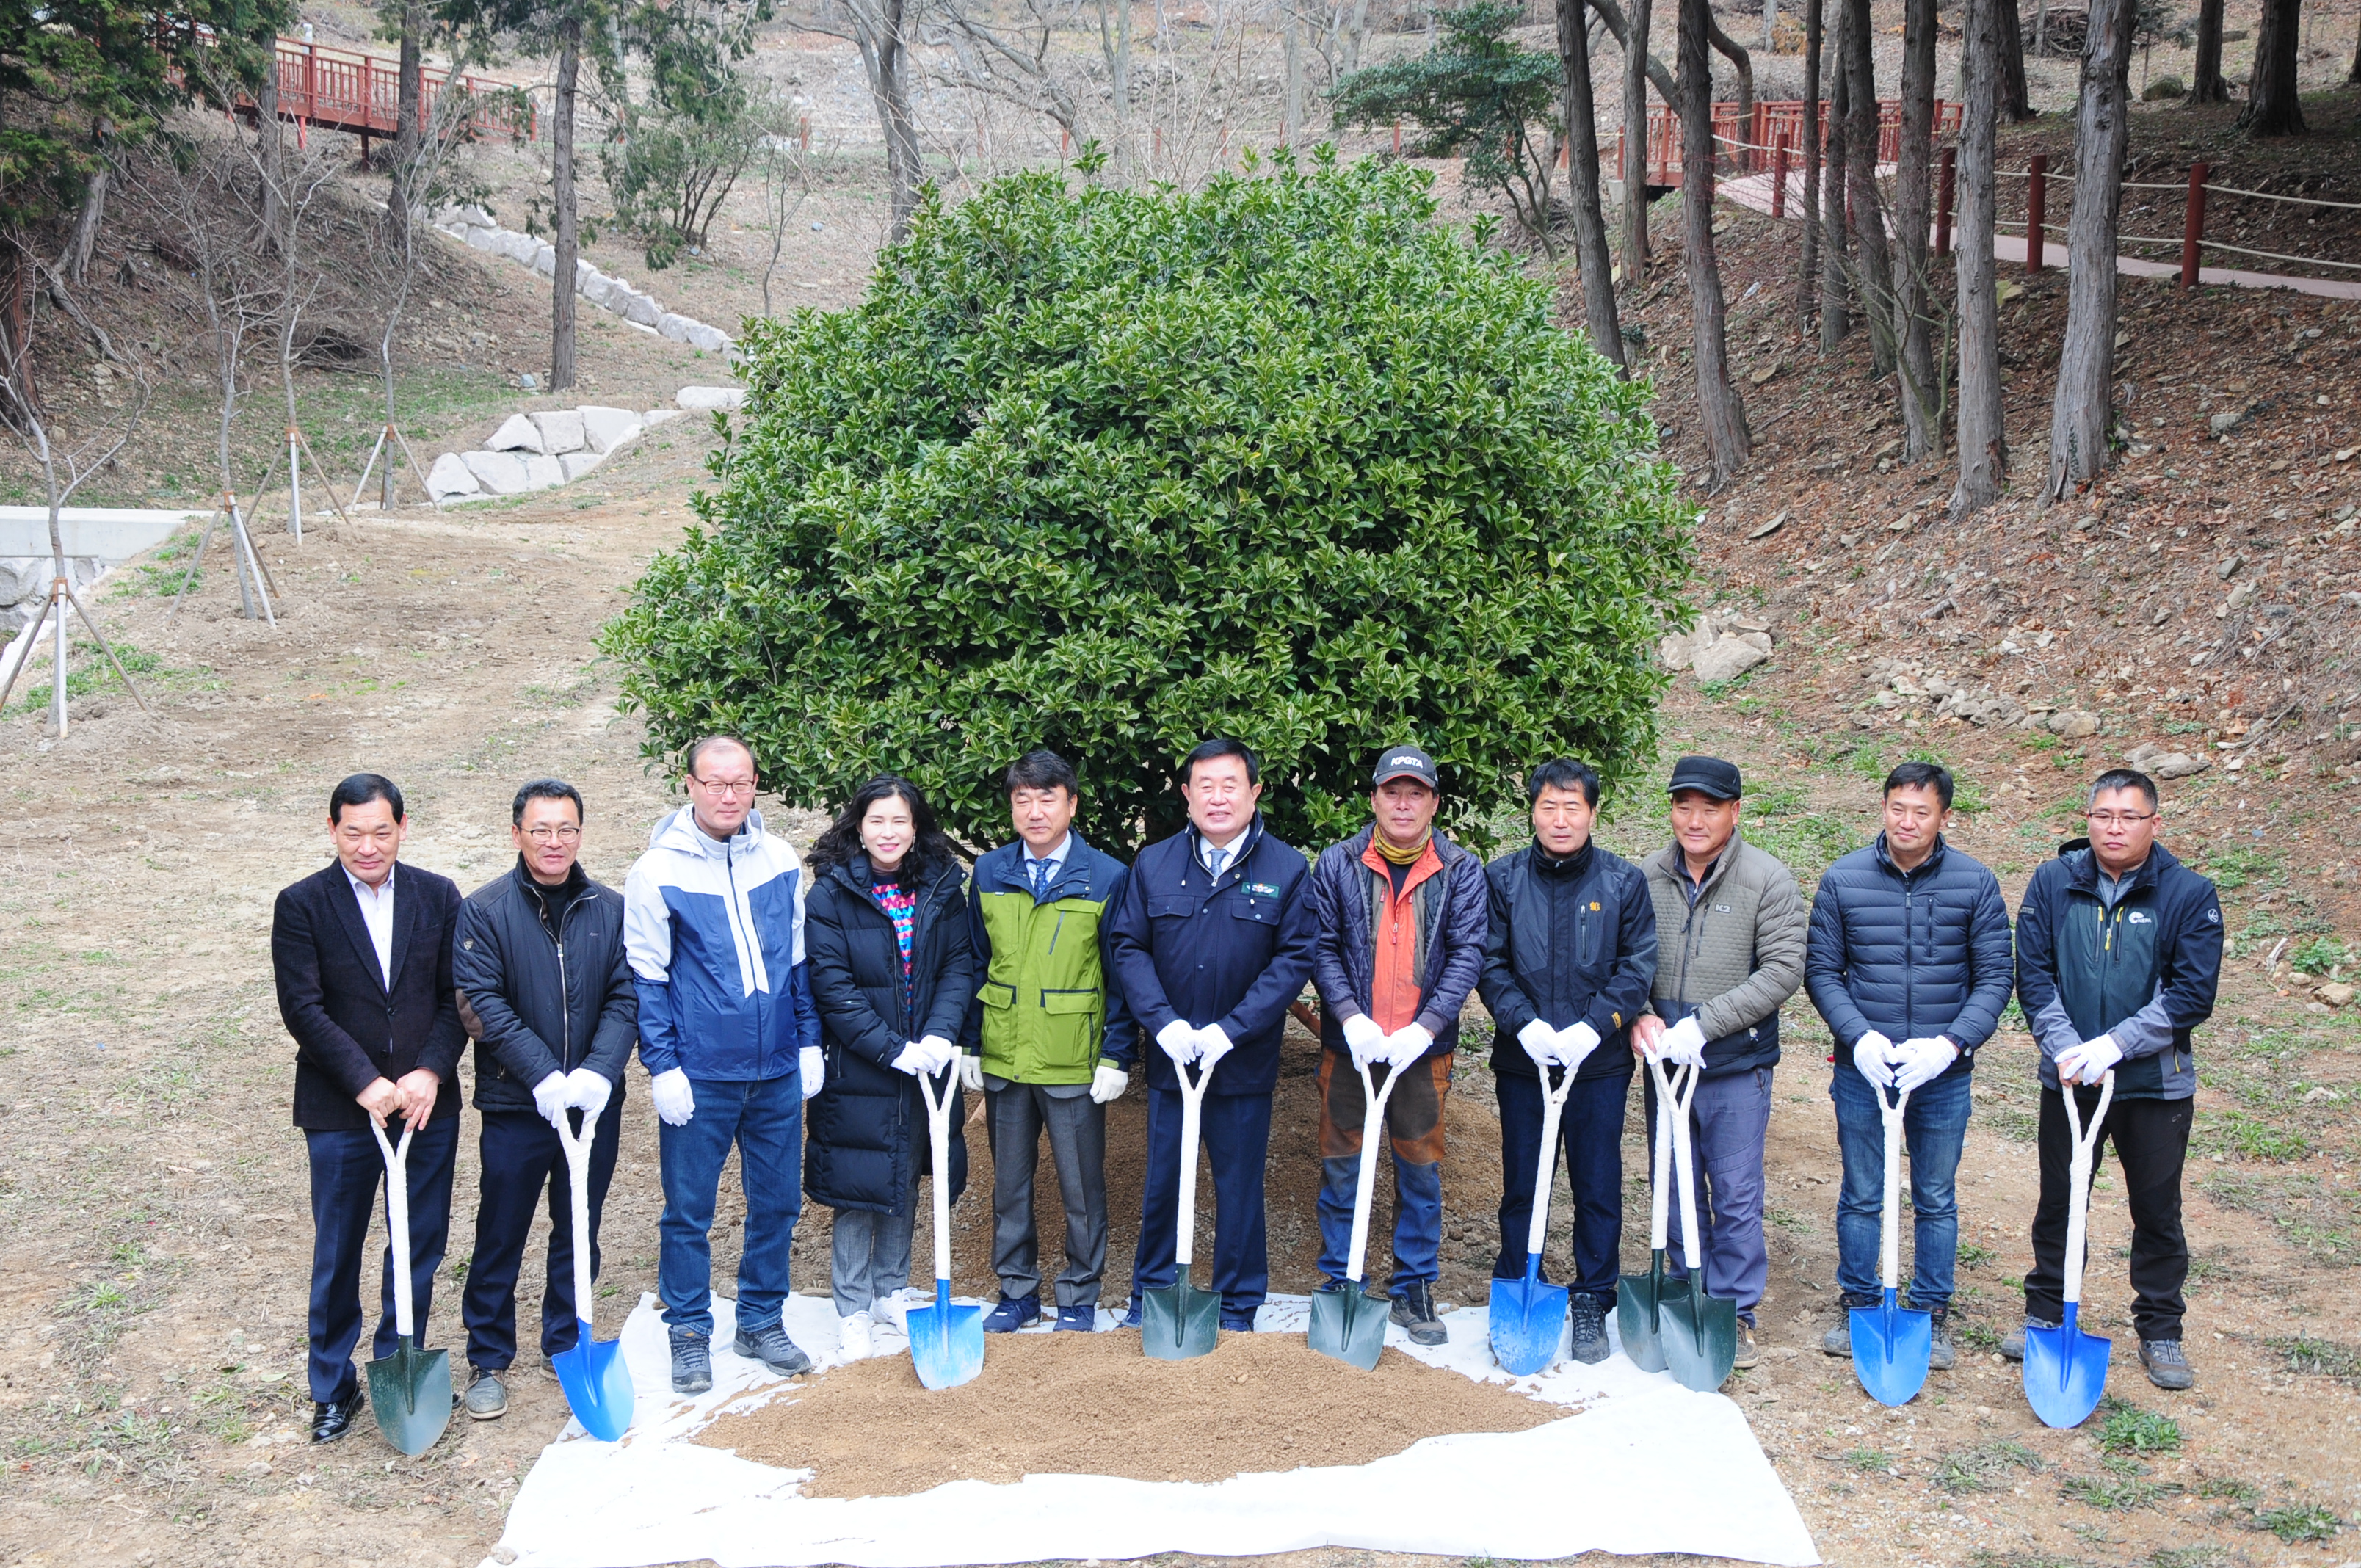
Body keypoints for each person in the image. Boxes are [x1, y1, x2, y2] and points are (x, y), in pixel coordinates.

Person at [2006, 768, 2222, 1392]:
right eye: (2104, 815)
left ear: (2154, 823)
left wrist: (2115, 1045)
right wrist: (2070, 1047)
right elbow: (2035, 974)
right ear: (2089, 819)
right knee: (2060, 1199)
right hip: (2071, 1079)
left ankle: (2161, 1328)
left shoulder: (2188, 893)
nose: (2115, 827)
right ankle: (2046, 1313)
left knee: (2156, 1210)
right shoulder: (2053, 882)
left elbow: (2191, 995)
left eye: (2130, 817)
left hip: (2154, 1085)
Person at [623, 737, 824, 1393]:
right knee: (688, 1211)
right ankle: (688, 1331)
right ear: (690, 785)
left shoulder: (780, 859)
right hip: (701, 1074)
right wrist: (663, 1066)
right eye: (715, 784)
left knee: (778, 1203)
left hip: (773, 1071)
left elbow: (798, 961)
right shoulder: (658, 871)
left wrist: (809, 1041)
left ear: (756, 784)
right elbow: (646, 976)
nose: (728, 796)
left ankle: (762, 1319)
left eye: (740, 783)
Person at [271, 774, 465, 1443]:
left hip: (423, 1107)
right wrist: (364, 1081)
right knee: (339, 1248)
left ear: (403, 827)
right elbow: (303, 1008)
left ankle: (396, 1364)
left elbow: (455, 998)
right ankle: (332, 1385)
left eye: (381, 831)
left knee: (417, 1242)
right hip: (340, 1109)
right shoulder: (302, 905)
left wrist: (431, 1070)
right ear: (332, 831)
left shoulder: (437, 897)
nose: (367, 846)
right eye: (353, 833)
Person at [1804, 761, 2013, 1373]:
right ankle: (1859, 1300)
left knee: (1935, 1196)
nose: (1907, 821)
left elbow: (1995, 976)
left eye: (1922, 812)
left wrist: (1951, 1044)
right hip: (1864, 1068)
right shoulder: (1843, 879)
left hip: (1941, 1073)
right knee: (1864, 1191)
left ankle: (1929, 1310)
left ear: (1944, 817)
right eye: (1898, 808)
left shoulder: (1975, 884)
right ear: (1884, 807)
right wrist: (1857, 1036)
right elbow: (1822, 971)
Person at [1107, 738, 1317, 1332]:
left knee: (1240, 1186)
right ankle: (1149, 1296)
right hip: (1173, 1061)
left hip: (1242, 1062)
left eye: (1231, 785)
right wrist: (1164, 1023)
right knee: (1163, 1182)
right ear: (1187, 796)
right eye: (1206, 786)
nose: (1218, 798)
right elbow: (1129, 946)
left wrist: (1233, 1029)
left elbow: (1293, 959)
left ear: (1254, 792)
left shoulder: (1286, 868)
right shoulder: (1154, 864)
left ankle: (1237, 1304)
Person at [451, 778, 638, 1420]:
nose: (554, 842)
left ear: (580, 834)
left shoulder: (610, 909)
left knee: (578, 1226)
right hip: (517, 1105)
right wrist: (540, 1077)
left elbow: (628, 995)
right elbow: (482, 1005)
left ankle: (566, 1340)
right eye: (541, 830)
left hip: (591, 1105)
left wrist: (597, 1073)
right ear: (517, 835)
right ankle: (488, 1355)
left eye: (566, 829)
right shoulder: (484, 910)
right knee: (501, 1230)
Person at [1476, 758, 1657, 1363]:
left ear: (1593, 812)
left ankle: (1592, 1296)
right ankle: (1515, 1278)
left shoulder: (1622, 883)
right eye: (1549, 806)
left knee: (1597, 1183)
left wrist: (1592, 1028)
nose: (1560, 819)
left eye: (1572, 807)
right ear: (1532, 810)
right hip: (1524, 1063)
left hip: (1596, 1065)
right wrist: (1522, 1024)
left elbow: (1637, 968)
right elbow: (1489, 962)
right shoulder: (1501, 880)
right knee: (1524, 1181)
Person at [1631, 755, 1808, 1371]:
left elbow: (1783, 969)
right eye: (1684, 805)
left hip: (1735, 1065)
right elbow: (1629, 959)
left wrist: (1703, 1026)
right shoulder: (1648, 876)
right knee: (1673, 1185)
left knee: (1733, 1192)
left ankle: (1733, 1310)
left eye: (1710, 807)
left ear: (1736, 812)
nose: (1695, 819)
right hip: (1665, 1066)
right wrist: (1645, 1015)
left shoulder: (1767, 880)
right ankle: (1683, 1290)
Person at [1307, 744, 1488, 1346]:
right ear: (1375, 799)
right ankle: (1341, 1278)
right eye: (1393, 792)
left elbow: (1467, 954)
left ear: (1434, 801)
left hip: (1422, 1052)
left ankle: (1413, 1286)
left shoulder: (1461, 870)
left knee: (1420, 1170)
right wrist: (1352, 1018)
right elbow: (1323, 946)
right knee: (1342, 1167)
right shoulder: (1337, 863)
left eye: (1416, 793)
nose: (1403, 804)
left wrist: (1427, 1026)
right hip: (1350, 1048)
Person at [960, 749, 1135, 1335]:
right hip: (1006, 1055)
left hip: (1073, 1061)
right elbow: (974, 963)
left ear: (1072, 804)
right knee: (1009, 1184)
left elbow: (1121, 974)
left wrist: (1115, 1052)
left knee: (1081, 1186)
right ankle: (1017, 1292)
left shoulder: (1106, 876)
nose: (1035, 811)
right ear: (1012, 807)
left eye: (1047, 798)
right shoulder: (989, 873)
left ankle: (1079, 1295)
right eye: (1022, 799)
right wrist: (969, 1043)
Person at [803, 775, 978, 1360]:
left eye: (899, 821)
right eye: (877, 821)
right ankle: (852, 1305)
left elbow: (959, 966)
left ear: (916, 827)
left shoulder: (940, 887)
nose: (888, 832)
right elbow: (832, 985)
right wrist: (891, 1048)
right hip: (862, 1065)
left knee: (905, 1178)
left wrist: (938, 1035)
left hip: (927, 1061)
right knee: (859, 1185)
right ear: (858, 825)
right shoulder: (831, 895)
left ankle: (891, 1289)